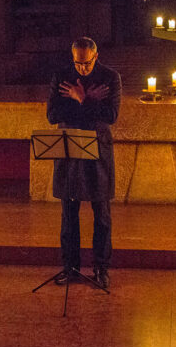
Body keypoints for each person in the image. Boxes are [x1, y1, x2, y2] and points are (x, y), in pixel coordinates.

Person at [46, 37, 121, 289]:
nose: (82, 69)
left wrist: (80, 99)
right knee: (69, 214)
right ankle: (71, 267)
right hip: (69, 150)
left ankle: (101, 267)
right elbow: (53, 115)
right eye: (78, 64)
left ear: (96, 55)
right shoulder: (60, 76)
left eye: (87, 64)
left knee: (101, 214)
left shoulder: (110, 78)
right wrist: (87, 100)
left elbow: (110, 116)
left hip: (98, 151)